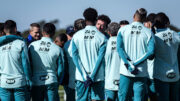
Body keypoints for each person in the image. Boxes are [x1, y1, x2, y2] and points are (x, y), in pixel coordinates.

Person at [117, 8, 155, 101]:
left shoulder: (123, 30)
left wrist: (129, 64)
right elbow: (151, 52)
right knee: (139, 99)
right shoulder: (149, 32)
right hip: (141, 72)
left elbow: (119, 49)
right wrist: (136, 63)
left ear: (133, 16)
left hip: (125, 71)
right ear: (144, 18)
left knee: (124, 98)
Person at [72, 8, 107, 101]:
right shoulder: (102, 37)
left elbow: (75, 57)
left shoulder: (76, 36)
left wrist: (84, 76)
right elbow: (100, 58)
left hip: (81, 77)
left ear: (84, 19)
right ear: (96, 18)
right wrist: (92, 76)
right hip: (97, 77)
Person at [29, 23, 64, 101]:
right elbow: (61, 70)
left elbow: (28, 64)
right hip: (51, 80)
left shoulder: (32, 46)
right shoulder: (58, 48)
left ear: (42, 31)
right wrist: (57, 80)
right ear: (54, 33)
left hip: (36, 80)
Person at [0, 20, 32, 101]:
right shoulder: (21, 43)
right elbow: (25, 64)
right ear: (15, 29)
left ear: (4, 30)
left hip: (4, 83)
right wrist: (29, 80)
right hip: (19, 82)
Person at [153, 12, 180, 101]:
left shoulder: (155, 38)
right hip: (175, 75)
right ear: (167, 22)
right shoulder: (175, 34)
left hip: (161, 75)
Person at [63, 19, 86, 101]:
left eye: (73, 34)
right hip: (78, 77)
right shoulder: (67, 44)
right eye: (70, 34)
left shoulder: (67, 44)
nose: (72, 36)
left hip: (74, 78)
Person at [105, 22, 120, 101]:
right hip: (122, 80)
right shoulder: (123, 43)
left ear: (108, 32)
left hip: (109, 80)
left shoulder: (105, 43)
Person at [144, 13, 157, 101]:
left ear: (149, 23)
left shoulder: (148, 35)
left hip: (148, 73)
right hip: (155, 72)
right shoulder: (156, 34)